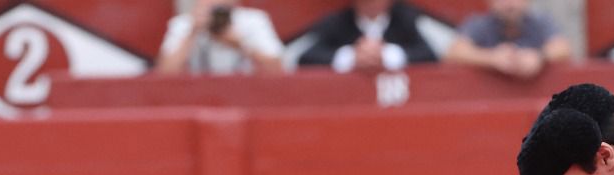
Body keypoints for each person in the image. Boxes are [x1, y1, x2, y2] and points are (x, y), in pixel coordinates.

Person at [297, 0, 439, 73]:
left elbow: (429, 55)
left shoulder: (404, 20)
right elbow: (307, 58)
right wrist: (351, 57)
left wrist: (388, 55)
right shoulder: (338, 22)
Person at [446, 0, 572, 81]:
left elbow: (563, 48)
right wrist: (491, 58)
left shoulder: (540, 22)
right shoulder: (479, 24)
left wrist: (538, 56)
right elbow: (454, 52)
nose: (510, 4)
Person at [157, 0, 285, 75]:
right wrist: (192, 32)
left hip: (246, 91)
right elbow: (164, 73)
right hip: (196, 93)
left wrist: (239, 44)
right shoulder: (185, 23)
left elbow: (279, 69)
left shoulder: (253, 21)